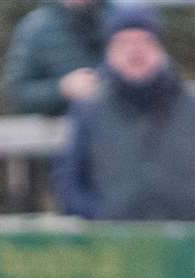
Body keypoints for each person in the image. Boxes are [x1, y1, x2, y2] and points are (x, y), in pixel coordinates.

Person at [54, 5, 195, 222]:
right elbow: (70, 181)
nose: (135, 51)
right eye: (124, 43)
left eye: (144, 41)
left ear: (161, 49)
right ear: (109, 52)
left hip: (186, 245)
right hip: (113, 246)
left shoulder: (190, 105)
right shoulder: (89, 110)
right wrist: (98, 218)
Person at [4, 0, 107, 116]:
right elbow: (18, 94)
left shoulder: (117, 17)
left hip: (120, 127)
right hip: (61, 127)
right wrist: (63, 89)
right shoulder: (36, 27)